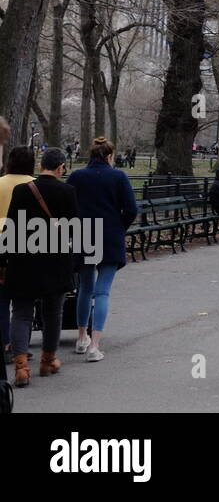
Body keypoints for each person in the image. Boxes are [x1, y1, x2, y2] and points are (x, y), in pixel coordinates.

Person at [2, 148, 79, 388]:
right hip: (55, 262)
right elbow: (74, 230)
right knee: (52, 312)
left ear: (41, 165)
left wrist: (3, 261)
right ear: (61, 168)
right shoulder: (67, 191)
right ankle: (48, 360)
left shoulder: (22, 191)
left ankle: (22, 367)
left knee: (22, 313)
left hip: (24, 261)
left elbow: (11, 228)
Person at [65, 137, 137, 363]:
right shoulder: (118, 176)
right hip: (109, 236)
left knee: (85, 289)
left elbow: (67, 206)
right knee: (102, 291)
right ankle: (95, 345)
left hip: (85, 234)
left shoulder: (76, 176)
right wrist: (119, 227)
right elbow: (131, 208)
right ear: (109, 156)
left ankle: (81, 338)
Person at [0, 145, 37, 362]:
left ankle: (4, 341)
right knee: (25, 301)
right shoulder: (35, 186)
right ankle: (20, 344)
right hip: (28, 247)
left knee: (2, 299)